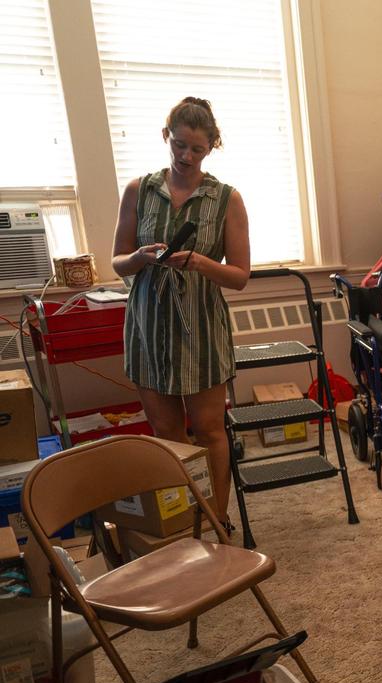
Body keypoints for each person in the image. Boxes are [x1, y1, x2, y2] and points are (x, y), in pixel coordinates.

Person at [112, 96, 250, 532]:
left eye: (197, 149)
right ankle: (184, 521)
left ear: (211, 148)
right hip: (150, 327)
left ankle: (217, 519)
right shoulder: (139, 190)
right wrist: (139, 257)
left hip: (202, 329)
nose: (186, 156)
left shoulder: (226, 199)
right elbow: (117, 263)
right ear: (165, 137)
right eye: (179, 145)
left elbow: (240, 275)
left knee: (209, 431)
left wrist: (199, 263)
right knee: (168, 435)